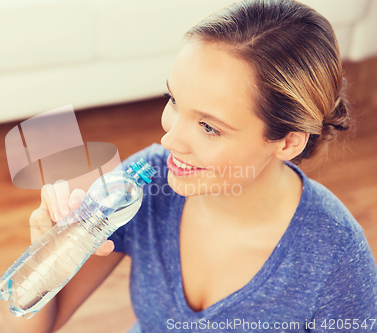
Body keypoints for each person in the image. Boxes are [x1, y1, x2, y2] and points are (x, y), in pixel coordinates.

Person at [27, 0, 377, 332]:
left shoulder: (336, 258)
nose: (169, 141)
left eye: (209, 127)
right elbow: (40, 323)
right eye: (174, 101)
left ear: (288, 142)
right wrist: (43, 261)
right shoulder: (145, 185)